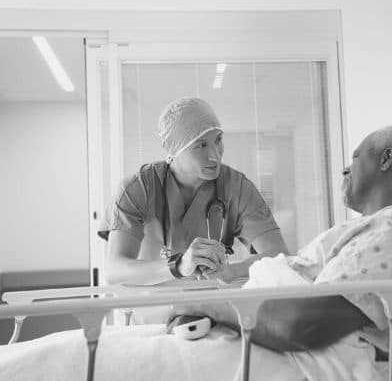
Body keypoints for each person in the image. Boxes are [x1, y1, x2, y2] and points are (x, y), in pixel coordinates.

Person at [166, 125, 392, 379]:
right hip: (259, 331)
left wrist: (203, 305)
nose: (344, 170)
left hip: (288, 351)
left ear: (386, 159)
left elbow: (301, 325)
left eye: (356, 158)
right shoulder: (371, 229)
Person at [98, 97, 289, 286]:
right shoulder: (138, 188)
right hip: (150, 308)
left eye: (218, 140)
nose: (214, 155)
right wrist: (179, 266)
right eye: (201, 146)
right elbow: (115, 270)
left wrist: (232, 271)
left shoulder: (236, 187)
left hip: (209, 308)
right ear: (175, 151)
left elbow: (278, 255)